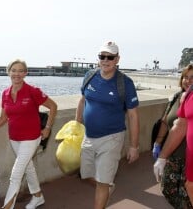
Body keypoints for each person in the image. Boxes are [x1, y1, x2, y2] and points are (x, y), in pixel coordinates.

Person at [0, 59, 57, 209]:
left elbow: (53, 106)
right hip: (14, 138)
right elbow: (3, 118)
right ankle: (38, 197)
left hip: (31, 137)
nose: (17, 74)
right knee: (28, 167)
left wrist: (47, 127)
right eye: (14, 70)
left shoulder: (33, 91)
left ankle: (7, 207)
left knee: (16, 174)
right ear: (8, 72)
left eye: (20, 71)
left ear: (25, 73)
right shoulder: (5, 93)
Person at [75, 41, 140, 209]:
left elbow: (133, 116)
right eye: (102, 56)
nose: (105, 60)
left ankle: (105, 186)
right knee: (86, 174)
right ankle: (108, 185)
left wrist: (134, 146)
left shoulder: (125, 83)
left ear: (117, 59)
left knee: (102, 182)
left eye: (110, 57)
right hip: (88, 136)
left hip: (112, 138)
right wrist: (76, 126)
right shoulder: (90, 76)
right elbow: (82, 101)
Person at [152, 64, 193, 208]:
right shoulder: (179, 97)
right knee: (169, 188)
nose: (188, 81)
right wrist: (159, 148)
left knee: (186, 191)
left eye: (192, 77)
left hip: (187, 156)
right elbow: (170, 123)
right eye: (185, 77)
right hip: (174, 155)